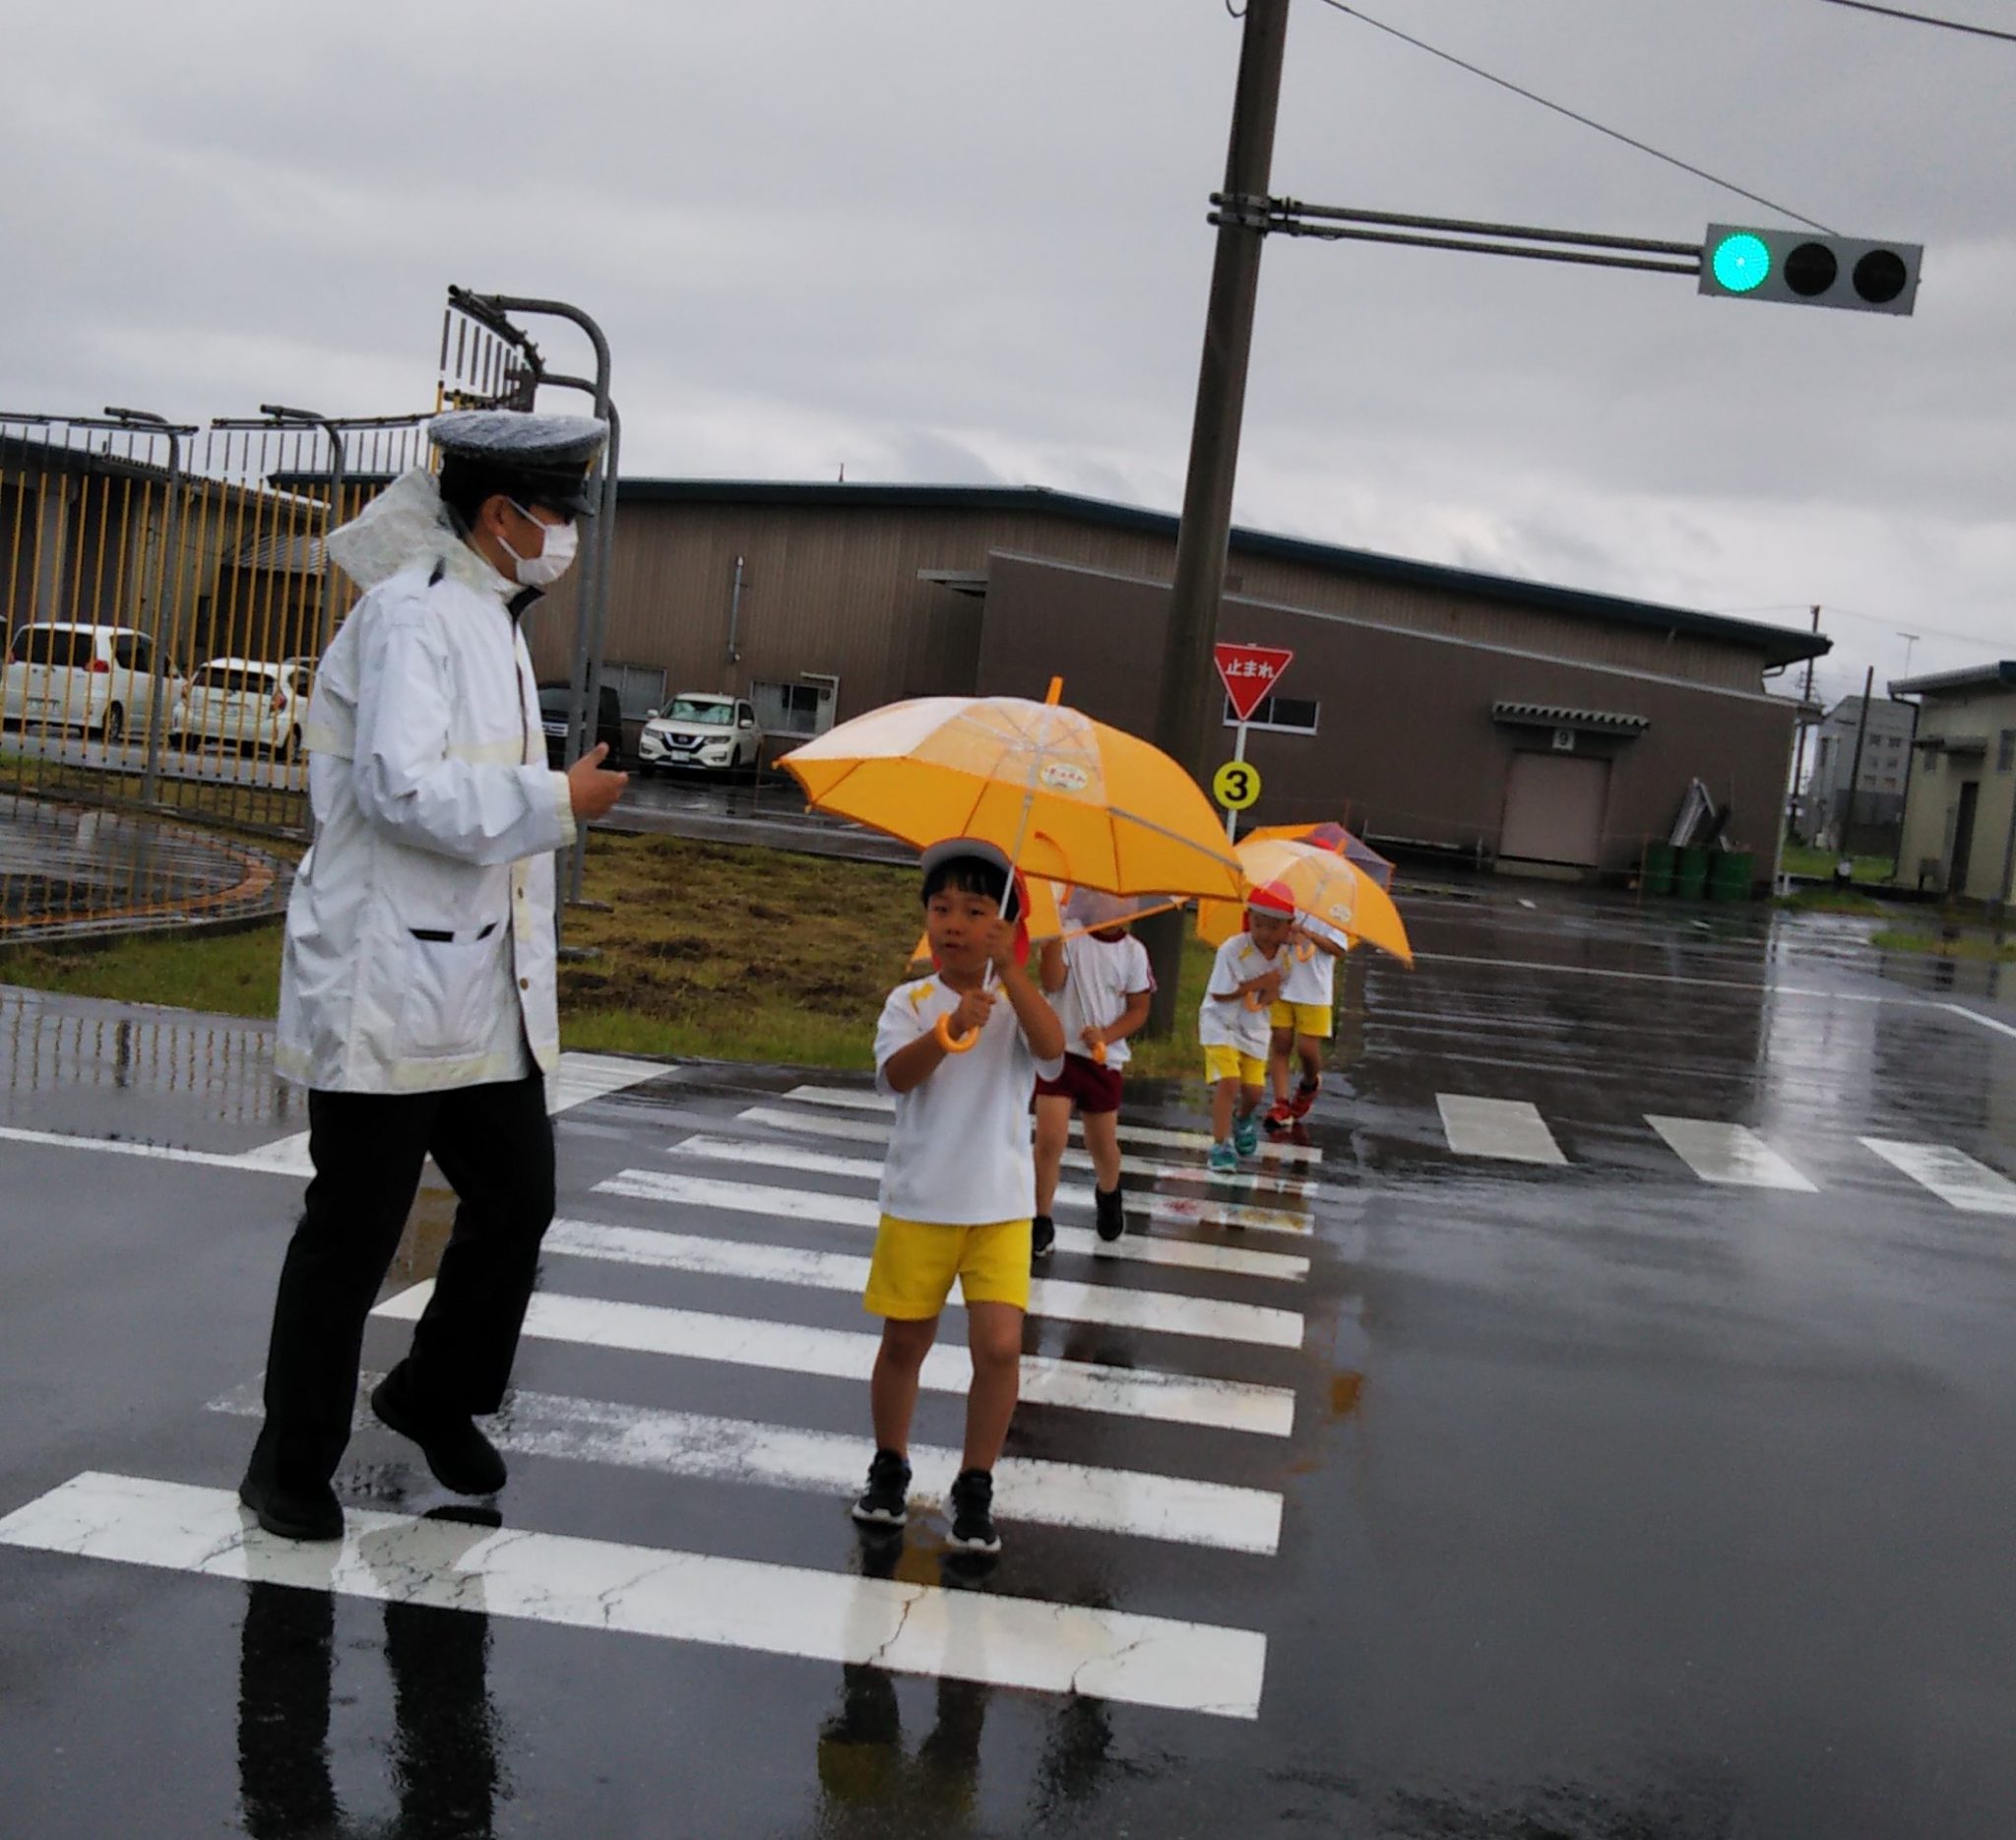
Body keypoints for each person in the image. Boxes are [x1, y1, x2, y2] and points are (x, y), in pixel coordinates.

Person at [236, 410, 629, 1544]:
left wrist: (548, 806)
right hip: (386, 987)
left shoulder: (485, 613)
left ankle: (431, 1392)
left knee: (517, 1200)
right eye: (556, 515)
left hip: (478, 992)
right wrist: (558, 801)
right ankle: (287, 1466)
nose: (566, 537)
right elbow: (400, 789)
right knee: (352, 1234)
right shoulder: (412, 615)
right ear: (501, 515)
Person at [850, 840, 1065, 1555]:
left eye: (976, 911)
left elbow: (1053, 1051)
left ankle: (975, 1484)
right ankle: (890, 1465)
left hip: (1000, 1207)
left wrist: (1014, 977)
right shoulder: (910, 1001)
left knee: (999, 1348)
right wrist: (949, 1031)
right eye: (941, 908)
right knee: (904, 1342)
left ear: (1004, 924)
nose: (955, 924)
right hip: (920, 1201)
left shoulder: (1015, 1004)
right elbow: (896, 1076)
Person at [1031, 895, 1154, 1261]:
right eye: (1112, 899)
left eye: (1128, 902)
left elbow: (1138, 1010)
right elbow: (1052, 982)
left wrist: (1106, 1035)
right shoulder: (1070, 935)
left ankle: (1109, 1191)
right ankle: (1041, 1218)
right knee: (1049, 1140)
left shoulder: (1134, 952)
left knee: (1102, 1145)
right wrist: (1053, 942)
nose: (1122, 907)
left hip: (1102, 1061)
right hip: (1059, 1053)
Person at [1198, 884, 1293, 1174]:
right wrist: (1259, 983)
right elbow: (1220, 994)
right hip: (1221, 1023)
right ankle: (1220, 1145)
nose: (1264, 932)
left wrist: (1269, 991)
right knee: (1229, 1081)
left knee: (1254, 1091)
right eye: (1258, 924)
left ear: (1288, 928)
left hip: (1254, 1029)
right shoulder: (1233, 949)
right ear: (1248, 917)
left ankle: (1242, 1119)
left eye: (1273, 927)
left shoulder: (1285, 959)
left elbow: (1271, 997)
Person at [1263, 921, 1347, 1136]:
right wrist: (1285, 935)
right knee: (1280, 1043)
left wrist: (1309, 935)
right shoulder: (1289, 908)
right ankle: (1280, 1103)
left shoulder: (1331, 915)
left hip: (1314, 993)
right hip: (1282, 985)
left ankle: (1310, 1082)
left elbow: (1338, 949)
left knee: (1307, 1050)